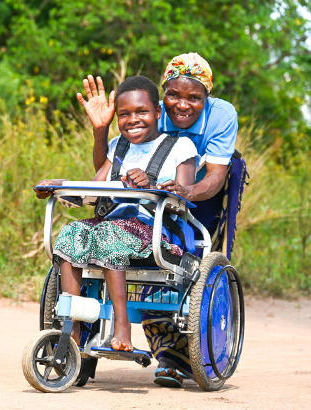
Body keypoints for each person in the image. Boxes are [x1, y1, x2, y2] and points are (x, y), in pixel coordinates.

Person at [77, 53, 238, 386]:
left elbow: (217, 176)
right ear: (161, 99)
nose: (182, 104)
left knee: (173, 260)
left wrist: (184, 191)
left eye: (194, 97)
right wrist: (101, 132)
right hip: (139, 198)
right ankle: (80, 344)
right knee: (92, 238)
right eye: (174, 95)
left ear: (206, 98)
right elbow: (110, 167)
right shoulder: (147, 111)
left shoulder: (220, 117)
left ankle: (172, 355)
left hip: (195, 187)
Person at [36, 75, 197, 352]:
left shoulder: (179, 147)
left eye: (142, 112)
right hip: (112, 226)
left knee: (110, 234)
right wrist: (61, 186)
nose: (133, 119)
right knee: (70, 234)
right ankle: (70, 323)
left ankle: (122, 325)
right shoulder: (117, 146)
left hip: (156, 230)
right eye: (124, 114)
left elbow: (183, 194)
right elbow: (95, 187)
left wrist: (153, 185)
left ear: (158, 112)